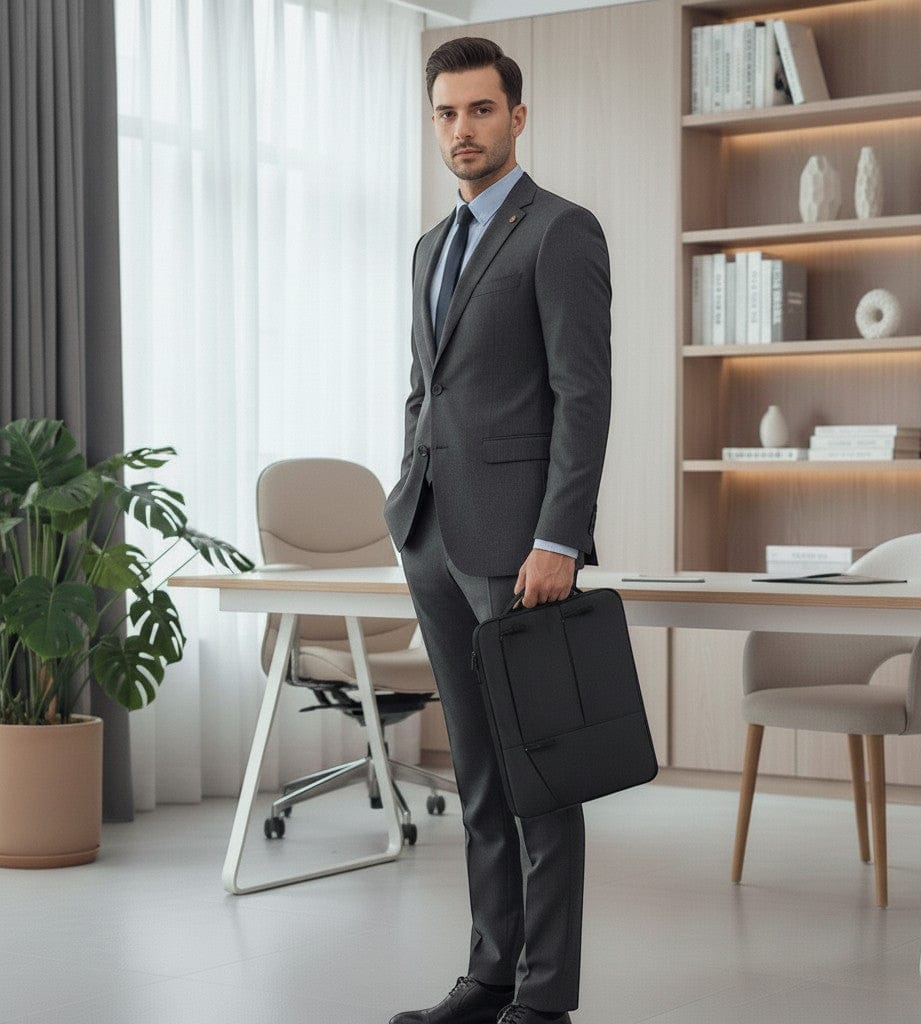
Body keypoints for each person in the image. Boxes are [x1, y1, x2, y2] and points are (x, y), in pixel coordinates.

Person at [382, 36, 612, 1024]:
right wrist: (407, 487)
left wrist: (559, 535)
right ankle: (486, 977)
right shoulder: (432, 246)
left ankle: (544, 997)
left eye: (479, 110)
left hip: (521, 545)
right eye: (446, 113)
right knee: (475, 770)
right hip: (433, 532)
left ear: (516, 117)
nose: (461, 129)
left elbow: (582, 395)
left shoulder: (559, 232)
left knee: (540, 772)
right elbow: (424, 388)